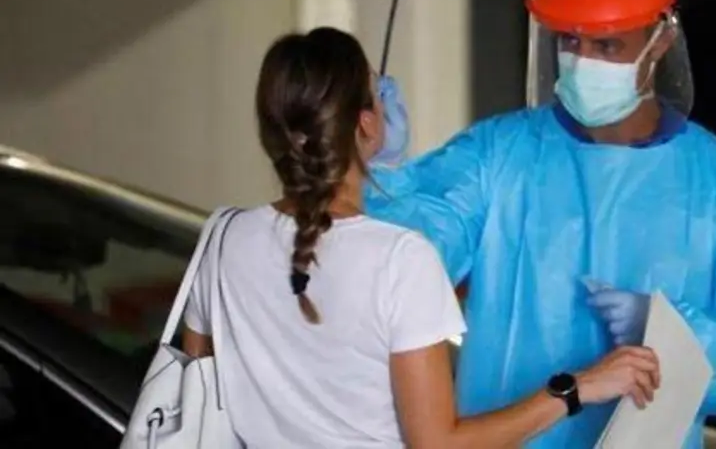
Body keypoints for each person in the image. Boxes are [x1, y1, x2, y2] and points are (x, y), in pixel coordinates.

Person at [368, 0, 716, 448]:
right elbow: (398, 265)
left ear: (660, 42)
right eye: (571, 42)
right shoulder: (494, 157)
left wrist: (671, 333)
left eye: (608, 45)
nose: (583, 61)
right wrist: (382, 173)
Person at [180, 27, 661, 449]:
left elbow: (198, 384)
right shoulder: (401, 259)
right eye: (376, 92)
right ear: (367, 124)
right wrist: (575, 389)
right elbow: (437, 443)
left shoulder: (223, 237)